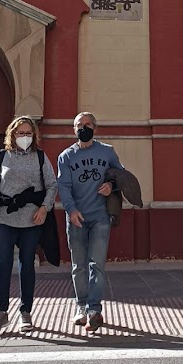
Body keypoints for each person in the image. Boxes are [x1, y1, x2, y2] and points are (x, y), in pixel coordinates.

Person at [0, 116, 56, 333]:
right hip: (4, 219)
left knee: (27, 264)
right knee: (3, 263)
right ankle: (1, 312)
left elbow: (52, 185)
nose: (24, 137)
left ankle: (25, 312)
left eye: (28, 133)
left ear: (34, 136)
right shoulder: (2, 157)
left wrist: (44, 208)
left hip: (32, 219)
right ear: (12, 134)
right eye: (20, 133)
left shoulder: (40, 158)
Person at [57, 112, 123, 333]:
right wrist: (71, 210)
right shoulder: (65, 157)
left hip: (100, 217)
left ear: (95, 128)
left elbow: (120, 176)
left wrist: (111, 186)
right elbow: (63, 187)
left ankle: (94, 309)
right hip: (75, 218)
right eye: (78, 125)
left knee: (97, 264)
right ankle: (81, 306)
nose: (83, 128)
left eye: (87, 124)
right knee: (79, 265)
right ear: (73, 129)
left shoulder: (107, 152)